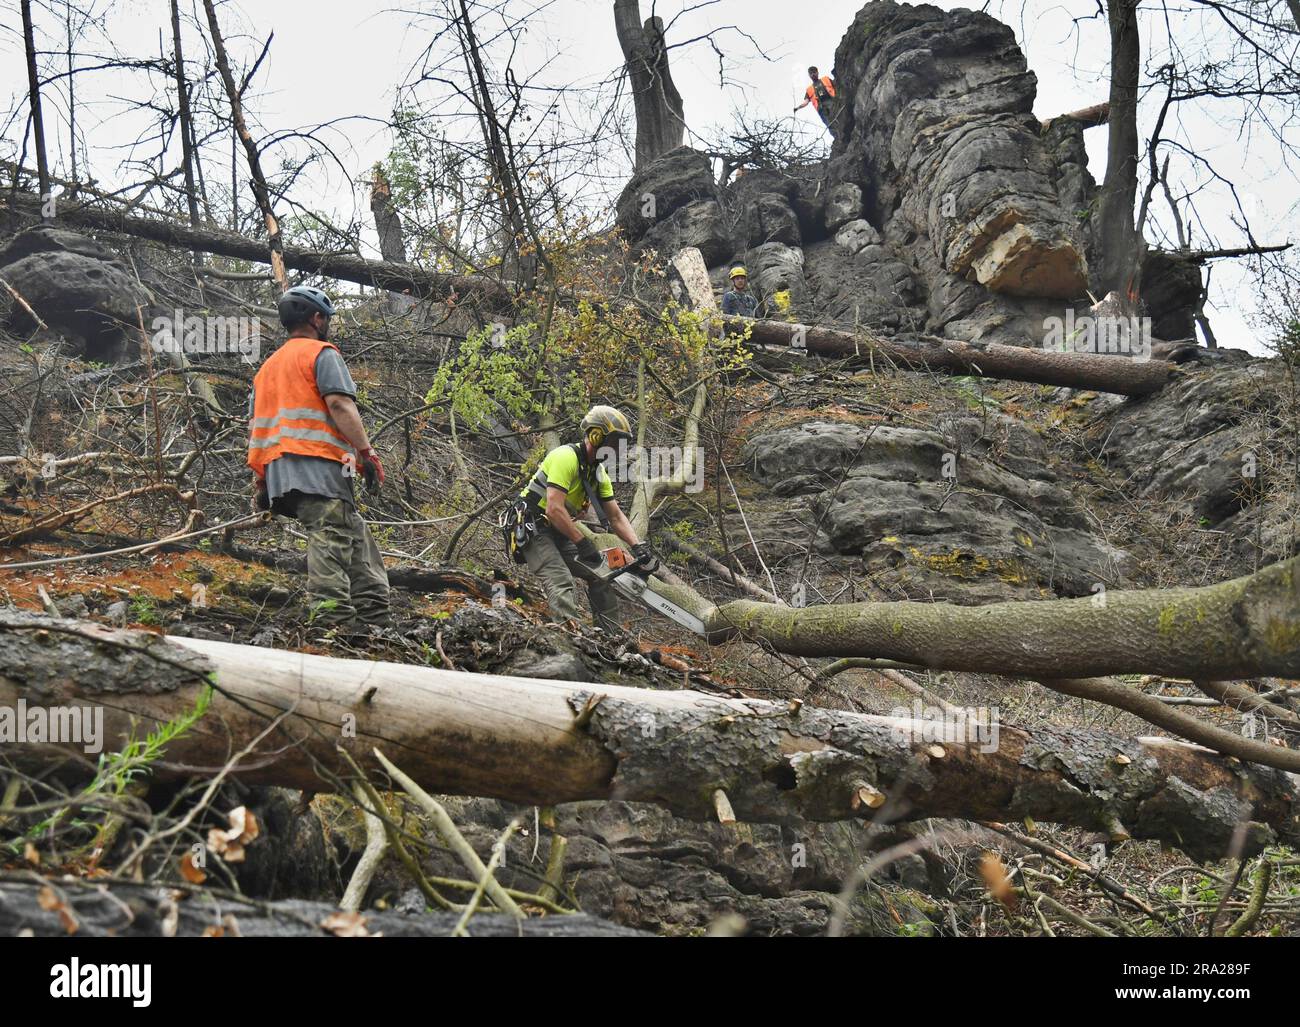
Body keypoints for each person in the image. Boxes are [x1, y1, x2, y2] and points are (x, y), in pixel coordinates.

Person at [247, 286, 391, 634]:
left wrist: (262, 480)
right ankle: (333, 622)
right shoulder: (321, 354)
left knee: (350, 530)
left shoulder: (266, 369)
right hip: (318, 464)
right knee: (329, 533)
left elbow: (256, 427)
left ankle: (374, 613)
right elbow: (341, 405)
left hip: (282, 471)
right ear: (316, 318)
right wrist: (366, 453)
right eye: (325, 318)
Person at [515, 405, 655, 632]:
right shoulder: (565, 456)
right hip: (534, 527)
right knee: (560, 581)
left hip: (559, 531)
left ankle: (611, 639)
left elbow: (616, 516)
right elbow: (553, 509)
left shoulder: (598, 474)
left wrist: (638, 547)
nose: (617, 450)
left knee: (603, 576)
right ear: (596, 435)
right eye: (614, 443)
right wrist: (582, 542)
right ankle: (570, 638)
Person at [794, 66, 838, 135]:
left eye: (814, 72)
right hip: (821, 108)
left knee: (838, 115)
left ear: (817, 72)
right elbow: (806, 102)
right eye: (811, 73)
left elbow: (836, 84)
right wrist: (798, 107)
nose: (813, 74)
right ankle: (837, 137)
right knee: (830, 125)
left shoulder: (826, 79)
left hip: (832, 101)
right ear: (809, 75)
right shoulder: (809, 89)